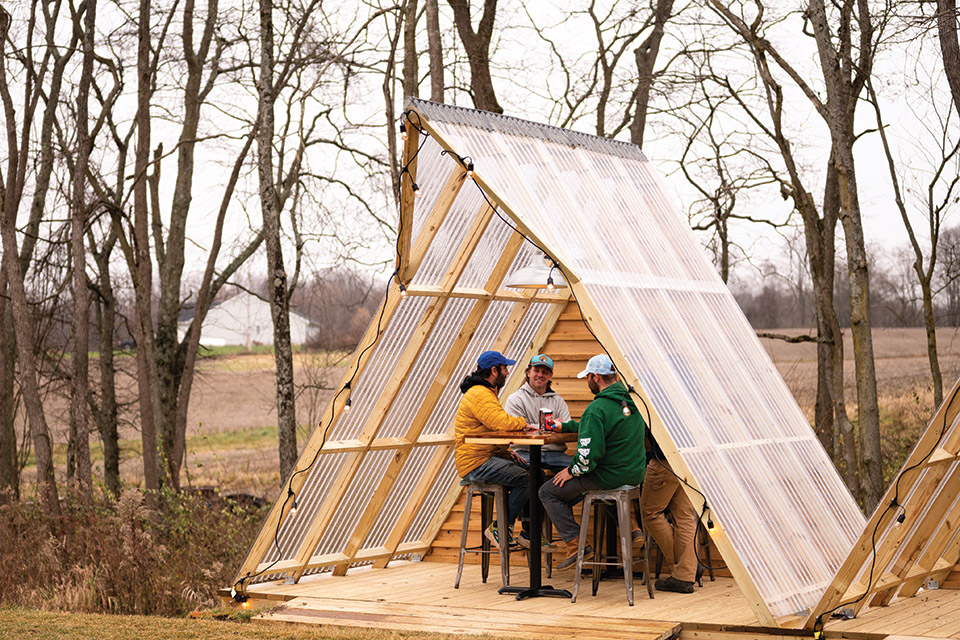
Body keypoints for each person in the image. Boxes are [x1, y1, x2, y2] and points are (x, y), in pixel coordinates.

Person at [538, 354, 646, 570]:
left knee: (548, 492)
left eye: (587, 376)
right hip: (634, 475)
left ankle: (576, 545)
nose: (587, 381)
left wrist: (572, 470)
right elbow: (598, 429)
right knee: (571, 497)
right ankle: (633, 526)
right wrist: (566, 427)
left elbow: (588, 458)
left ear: (596, 377)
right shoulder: (631, 403)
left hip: (608, 476)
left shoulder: (597, 409)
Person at [454, 349, 537, 550]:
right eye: (504, 368)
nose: (507, 373)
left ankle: (529, 532)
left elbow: (490, 430)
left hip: (486, 456)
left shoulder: (485, 392)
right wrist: (524, 423)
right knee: (526, 479)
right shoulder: (480, 394)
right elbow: (500, 423)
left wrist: (505, 453)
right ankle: (500, 527)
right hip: (476, 463)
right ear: (493, 370)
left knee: (537, 475)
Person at [641, 432, 700, 593]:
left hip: (664, 461)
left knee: (650, 513)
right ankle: (688, 567)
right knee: (685, 516)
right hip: (688, 460)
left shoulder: (651, 405)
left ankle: (683, 568)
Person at [504, 354, 572, 472]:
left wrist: (532, 426)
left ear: (550, 376)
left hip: (554, 453)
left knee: (577, 472)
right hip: (524, 452)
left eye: (545, 372)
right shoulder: (515, 399)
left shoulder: (558, 400)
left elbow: (567, 426)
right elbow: (517, 429)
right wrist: (552, 426)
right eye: (536, 370)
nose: (540, 375)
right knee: (525, 476)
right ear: (529, 372)